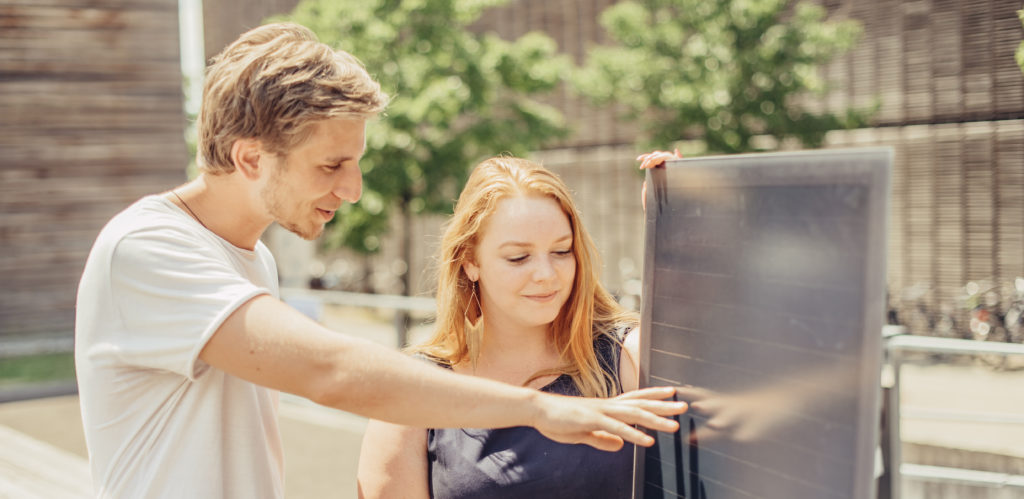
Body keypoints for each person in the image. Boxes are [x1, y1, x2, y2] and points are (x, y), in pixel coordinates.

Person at [73, 23, 686, 498]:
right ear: (251, 158)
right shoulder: (147, 251)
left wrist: (683, 226)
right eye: (331, 165)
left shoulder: (248, 259)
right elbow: (331, 372)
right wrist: (542, 408)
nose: (354, 188)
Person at [358, 157, 662, 498]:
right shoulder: (411, 391)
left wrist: (686, 226)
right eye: (518, 257)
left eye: (562, 251)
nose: (546, 274)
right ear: (470, 262)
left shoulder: (626, 357)